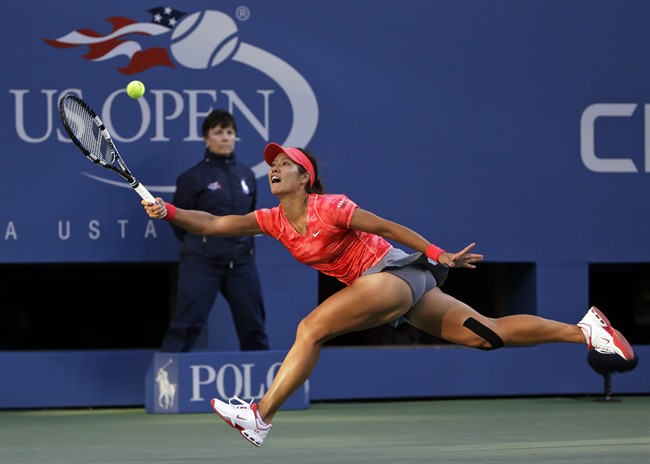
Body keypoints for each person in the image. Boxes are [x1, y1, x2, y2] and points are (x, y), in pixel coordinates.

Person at [142, 142, 634, 447]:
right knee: (489, 335)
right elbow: (212, 222)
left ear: (304, 177)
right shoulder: (271, 220)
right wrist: (167, 210)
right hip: (405, 290)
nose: (272, 167)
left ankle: (260, 415)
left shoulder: (329, 206)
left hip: (394, 274)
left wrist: (439, 253)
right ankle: (586, 330)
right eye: (271, 163)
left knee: (309, 329)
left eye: (284, 163)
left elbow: (386, 226)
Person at [160, 110, 269, 352]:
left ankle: (267, 390)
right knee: (184, 328)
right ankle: (163, 387)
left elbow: (249, 218)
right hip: (201, 265)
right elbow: (180, 221)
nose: (225, 137)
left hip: (242, 266)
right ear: (206, 138)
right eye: (218, 132)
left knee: (254, 330)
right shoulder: (192, 177)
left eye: (229, 132)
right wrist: (204, 244)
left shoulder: (247, 176)